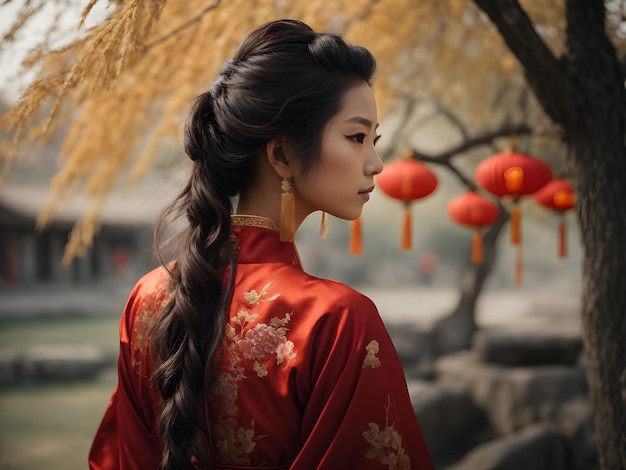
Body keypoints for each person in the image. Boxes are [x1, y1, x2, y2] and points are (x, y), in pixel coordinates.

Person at [89, 19, 434, 470]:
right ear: (282, 154)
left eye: (374, 140)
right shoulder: (336, 320)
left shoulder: (149, 298)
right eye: (356, 137)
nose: (376, 163)